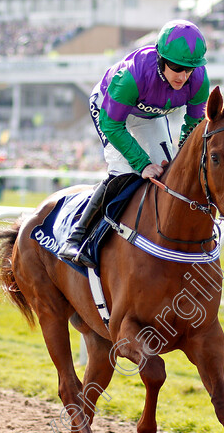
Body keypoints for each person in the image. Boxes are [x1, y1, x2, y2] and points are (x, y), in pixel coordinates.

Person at [58, 19, 211, 267]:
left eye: (189, 69)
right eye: (176, 67)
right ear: (161, 59)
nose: (182, 76)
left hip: (149, 115)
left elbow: (191, 127)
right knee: (125, 170)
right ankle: (79, 236)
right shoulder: (132, 75)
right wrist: (141, 164)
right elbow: (112, 124)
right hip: (111, 111)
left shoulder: (199, 81)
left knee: (166, 170)